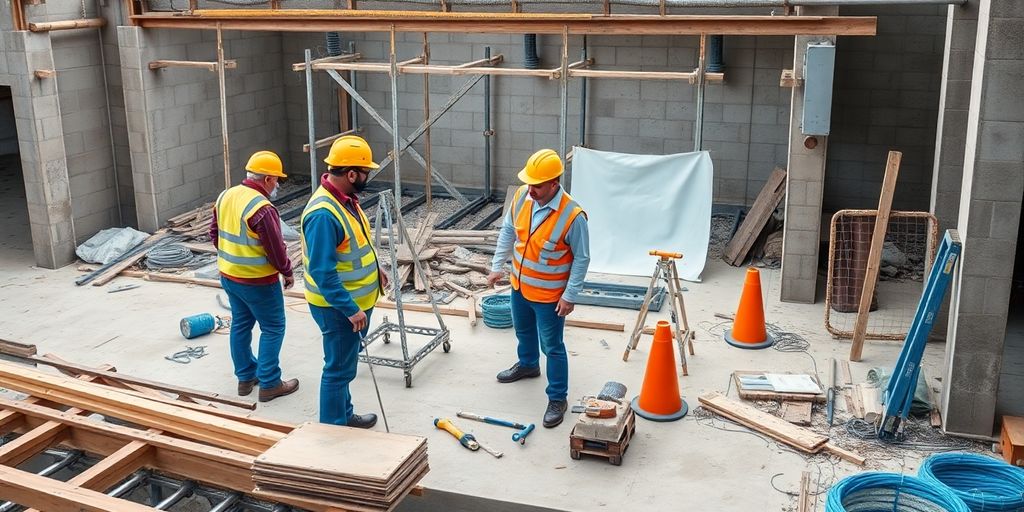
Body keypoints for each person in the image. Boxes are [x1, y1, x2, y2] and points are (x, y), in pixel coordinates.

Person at [487, 148, 591, 428]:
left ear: (554, 184)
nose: (531, 189)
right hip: (519, 286)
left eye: (538, 185)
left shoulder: (573, 216)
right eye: (529, 183)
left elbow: (582, 259)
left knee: (553, 347)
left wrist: (569, 296)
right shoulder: (523, 196)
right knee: (522, 331)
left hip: (549, 296)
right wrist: (498, 266)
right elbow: (509, 230)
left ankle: (557, 397)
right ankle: (528, 365)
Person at [301, 135, 389, 429]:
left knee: (345, 366)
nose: (367, 177)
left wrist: (376, 270)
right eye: (365, 172)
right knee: (338, 370)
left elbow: (354, 246)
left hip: (353, 303)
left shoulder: (345, 200)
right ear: (351, 173)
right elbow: (322, 273)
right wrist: (350, 309)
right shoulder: (324, 214)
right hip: (338, 308)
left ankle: (344, 414)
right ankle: (333, 431)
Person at [210, 150, 299, 403]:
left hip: (229, 276)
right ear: (268, 179)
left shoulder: (226, 195)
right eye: (277, 180)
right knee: (273, 327)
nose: (278, 185)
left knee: (241, 323)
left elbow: (214, 232)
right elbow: (274, 248)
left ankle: (246, 377)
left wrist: (231, 258)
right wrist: (287, 271)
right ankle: (270, 383)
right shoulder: (262, 208)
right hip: (258, 281)